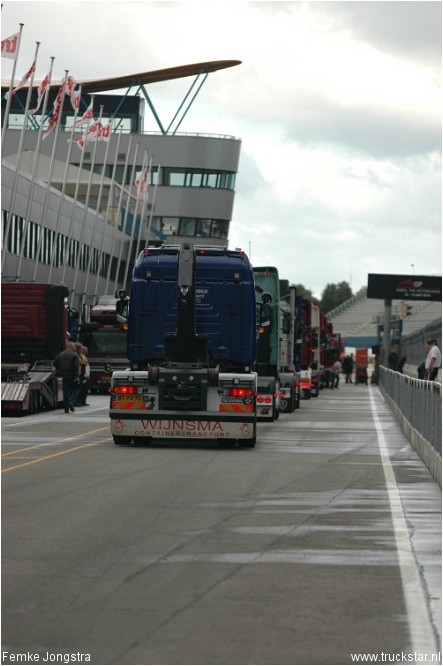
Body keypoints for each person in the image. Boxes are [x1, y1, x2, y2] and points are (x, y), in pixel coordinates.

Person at [53, 342, 80, 413]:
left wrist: (60, 369)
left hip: (64, 375)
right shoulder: (74, 355)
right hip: (72, 376)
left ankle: (66, 409)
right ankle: (71, 401)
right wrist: (77, 376)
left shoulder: (60, 354)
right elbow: (76, 366)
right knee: (75, 389)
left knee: (65, 392)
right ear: (71, 347)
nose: (75, 348)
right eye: (74, 346)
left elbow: (54, 363)